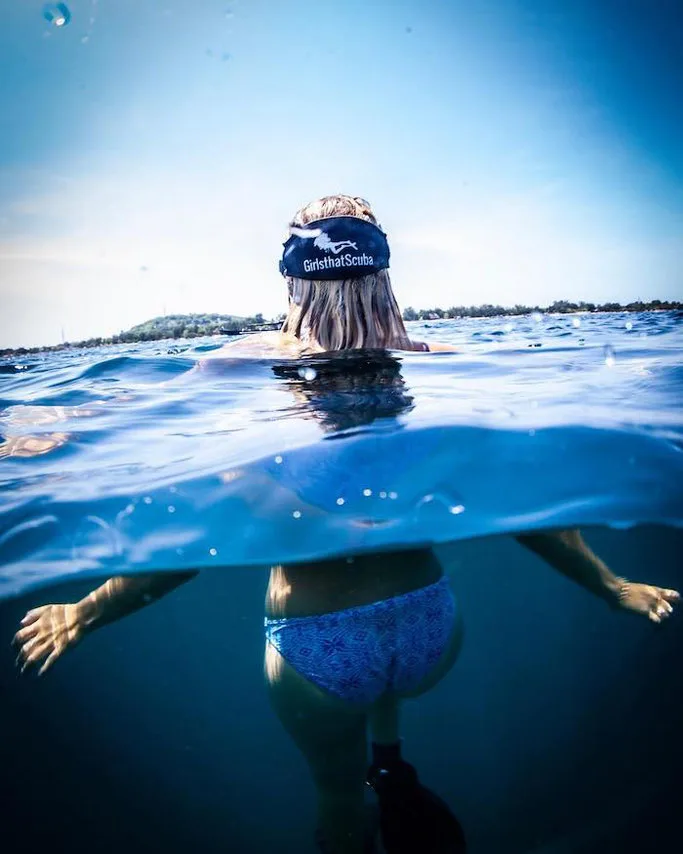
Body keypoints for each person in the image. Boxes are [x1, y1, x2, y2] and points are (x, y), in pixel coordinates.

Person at [13, 195, 680, 854]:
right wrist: (612, 587)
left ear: (291, 277)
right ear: (382, 273)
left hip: (319, 652)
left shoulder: (239, 365)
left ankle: (363, 788)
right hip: (429, 629)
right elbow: (536, 514)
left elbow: (187, 541)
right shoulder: (445, 363)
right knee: (385, 693)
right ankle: (387, 760)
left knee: (336, 797)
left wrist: (83, 611)